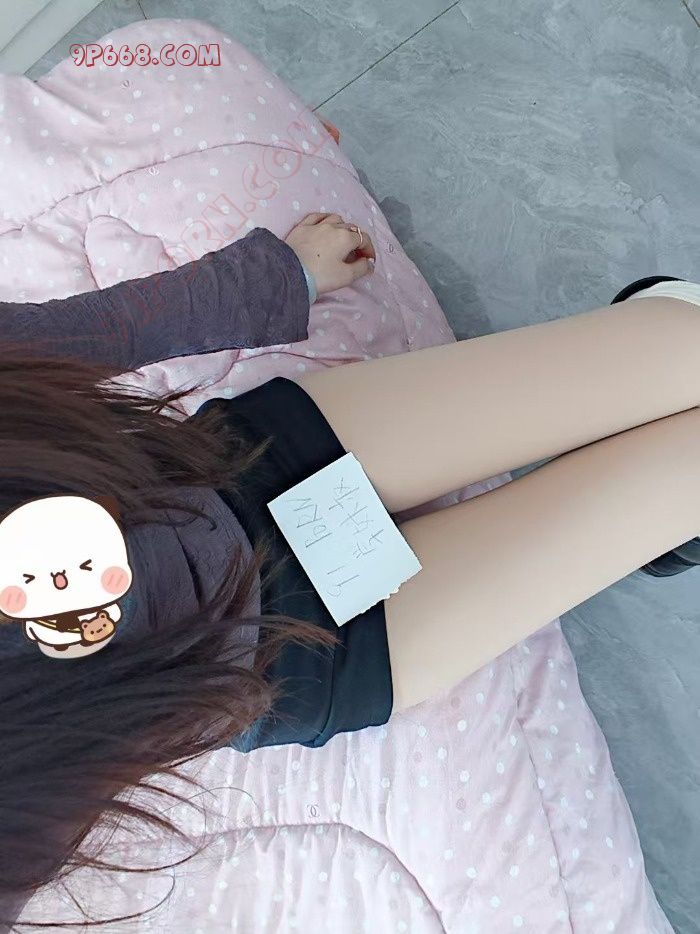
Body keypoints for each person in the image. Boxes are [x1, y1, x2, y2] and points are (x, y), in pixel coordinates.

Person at [0, 211, 697, 927]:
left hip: (249, 527)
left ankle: (668, 496)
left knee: (683, 368)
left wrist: (281, 278)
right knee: (680, 360)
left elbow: (54, 343)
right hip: (276, 615)